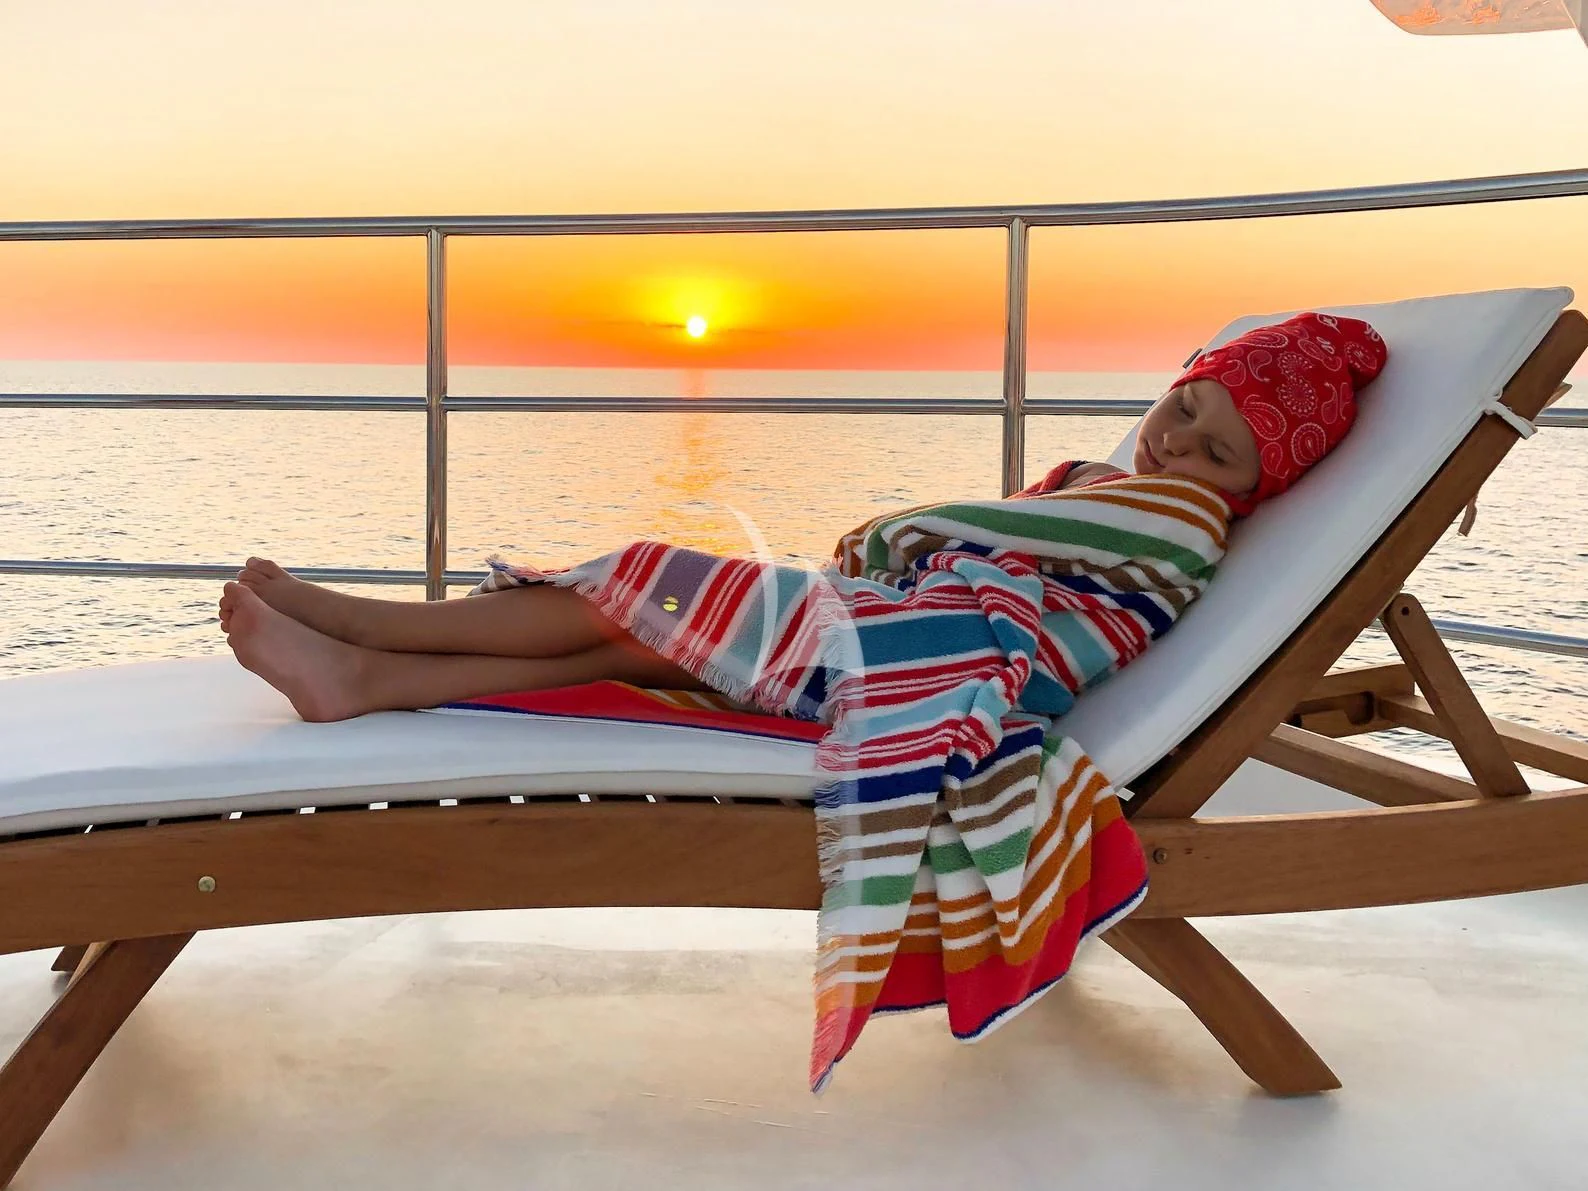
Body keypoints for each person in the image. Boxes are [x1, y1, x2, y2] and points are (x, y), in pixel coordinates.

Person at [218, 311, 1387, 723]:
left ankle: (353, 625)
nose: (1179, 442)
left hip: (944, 670)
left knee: (647, 583)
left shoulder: (1178, 518)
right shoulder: (1126, 485)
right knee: (635, 636)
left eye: (1219, 448)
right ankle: (362, 674)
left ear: (1254, 482)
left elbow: (964, 533)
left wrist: (879, 540)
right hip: (916, 650)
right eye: (1185, 406)